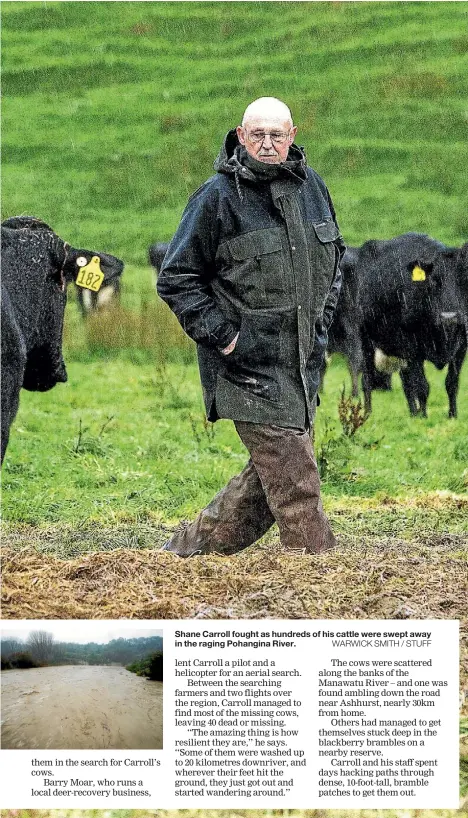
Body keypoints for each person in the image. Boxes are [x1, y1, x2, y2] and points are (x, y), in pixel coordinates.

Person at [157, 97, 345, 557]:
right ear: (241, 137)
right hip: (248, 371)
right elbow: (176, 278)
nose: (266, 144)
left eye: (275, 135)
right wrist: (226, 337)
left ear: (292, 136)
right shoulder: (216, 198)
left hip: (302, 366)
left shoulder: (312, 188)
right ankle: (319, 576)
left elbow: (335, 261)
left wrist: (320, 326)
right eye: (256, 135)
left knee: (262, 489)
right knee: (297, 485)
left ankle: (184, 556)